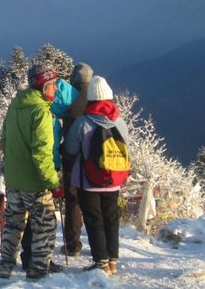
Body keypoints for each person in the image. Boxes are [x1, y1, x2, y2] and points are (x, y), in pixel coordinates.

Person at [0, 65, 61, 281]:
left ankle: (5, 265)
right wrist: (52, 181)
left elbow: (4, 140)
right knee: (44, 226)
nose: (56, 89)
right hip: (35, 182)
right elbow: (42, 152)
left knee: (14, 225)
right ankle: (38, 271)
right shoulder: (41, 111)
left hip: (14, 180)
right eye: (53, 84)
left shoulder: (16, 105)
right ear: (43, 85)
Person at [64, 75, 128, 276]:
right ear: (109, 97)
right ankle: (113, 261)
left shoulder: (83, 122)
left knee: (94, 220)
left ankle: (101, 262)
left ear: (90, 99)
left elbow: (71, 149)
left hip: (88, 181)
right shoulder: (120, 123)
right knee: (111, 219)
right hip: (113, 181)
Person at [20, 77, 77, 273]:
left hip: (32, 168)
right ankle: (39, 260)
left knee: (36, 217)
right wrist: (52, 180)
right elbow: (44, 149)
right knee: (43, 218)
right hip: (45, 170)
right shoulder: (45, 113)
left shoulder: (29, 108)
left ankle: (30, 256)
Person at [60, 62, 93, 257]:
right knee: (95, 201)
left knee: (72, 200)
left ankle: (73, 245)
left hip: (72, 158)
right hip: (95, 159)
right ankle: (100, 247)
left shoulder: (69, 99)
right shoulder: (98, 98)